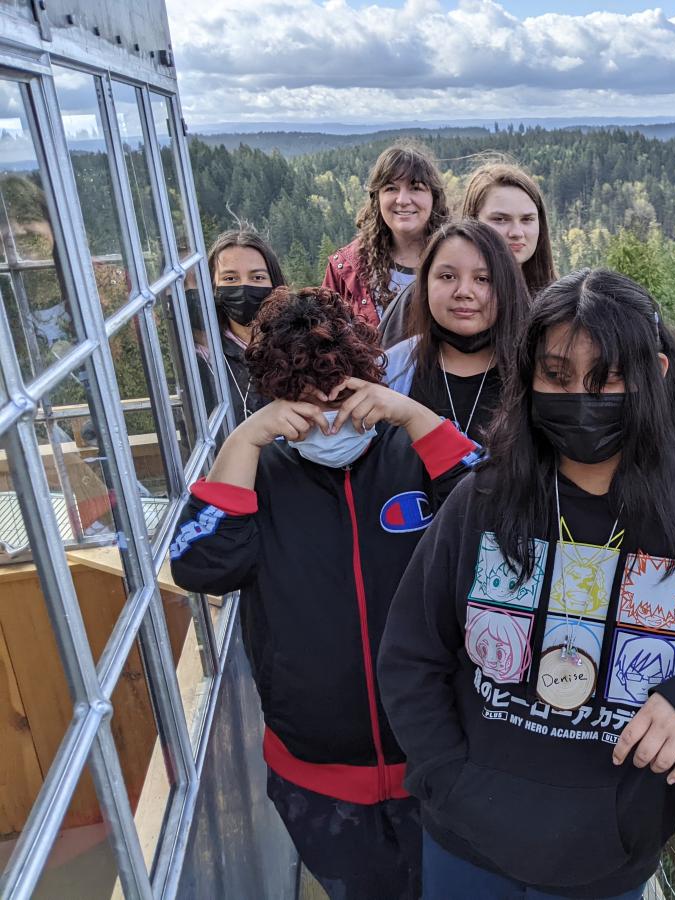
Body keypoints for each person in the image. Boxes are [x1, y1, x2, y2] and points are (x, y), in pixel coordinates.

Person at [377, 269, 675, 899]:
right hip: (465, 847)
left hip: (607, 861)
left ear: (658, 375)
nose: (583, 398)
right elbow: (409, 654)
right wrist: (445, 777)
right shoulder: (482, 499)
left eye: (609, 378)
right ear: (528, 376)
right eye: (558, 376)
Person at [169, 287, 482, 900]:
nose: (328, 420)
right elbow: (199, 564)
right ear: (272, 400)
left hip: (438, 762)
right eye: (302, 403)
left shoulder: (413, 455)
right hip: (316, 779)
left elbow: (500, 518)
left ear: (370, 381)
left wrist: (416, 417)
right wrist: (242, 443)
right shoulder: (258, 472)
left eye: (339, 397)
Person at [383, 220, 529, 445]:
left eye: (483, 279)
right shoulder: (391, 371)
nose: (464, 292)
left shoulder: (533, 372)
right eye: (447, 277)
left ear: (507, 287)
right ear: (425, 285)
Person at [323, 142, 448, 331]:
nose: (403, 200)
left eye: (416, 188)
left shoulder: (457, 260)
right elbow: (322, 339)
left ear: (434, 197)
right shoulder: (347, 267)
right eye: (391, 188)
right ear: (377, 198)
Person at [188, 225, 285, 424]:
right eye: (230, 278)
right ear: (213, 288)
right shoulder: (205, 355)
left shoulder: (301, 344)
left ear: (274, 283)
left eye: (257, 277)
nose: (243, 287)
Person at [461, 160, 557, 298]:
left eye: (527, 219)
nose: (517, 233)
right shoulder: (458, 300)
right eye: (500, 219)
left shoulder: (559, 307)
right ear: (472, 221)